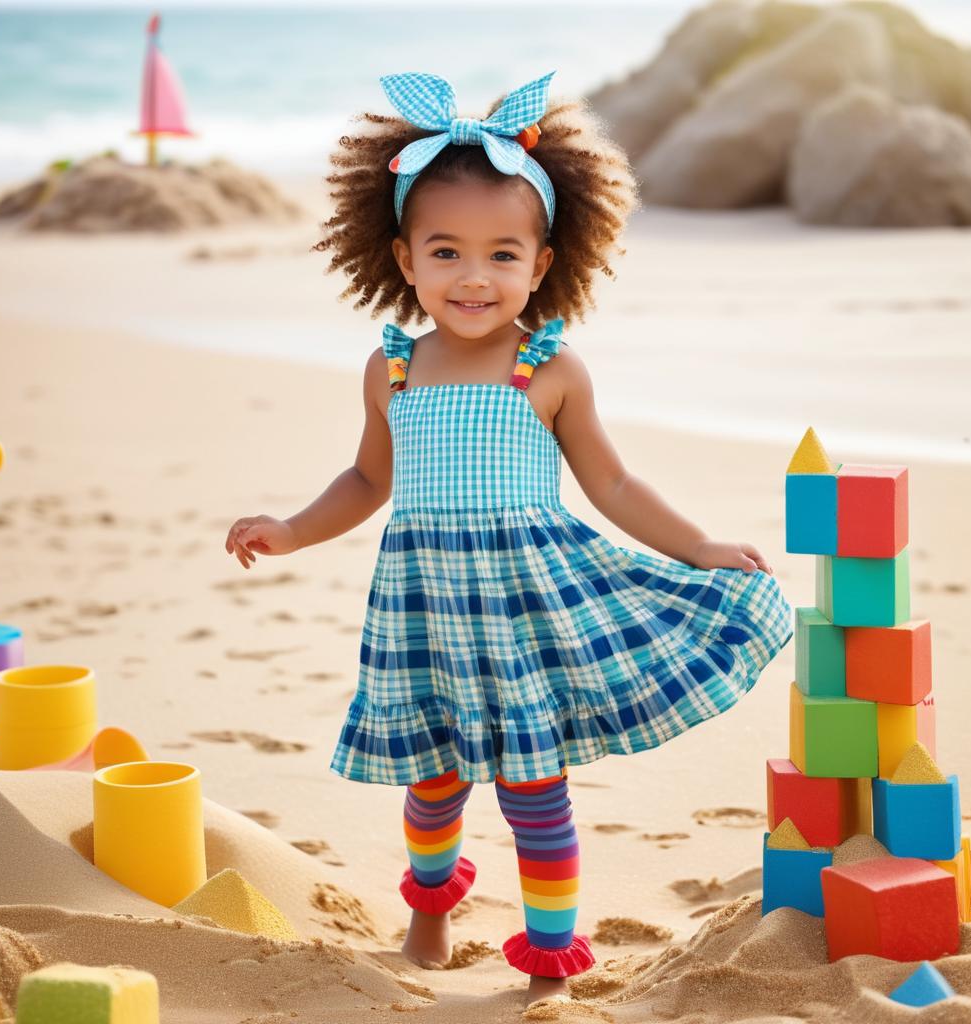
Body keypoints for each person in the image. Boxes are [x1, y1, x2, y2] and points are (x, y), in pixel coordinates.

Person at [225, 70, 794, 1008]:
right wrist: (291, 528)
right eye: (446, 252)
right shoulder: (393, 367)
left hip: (531, 608)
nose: (474, 277)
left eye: (501, 254)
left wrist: (701, 549)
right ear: (404, 259)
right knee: (435, 781)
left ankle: (548, 952)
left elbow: (610, 481)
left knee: (536, 791)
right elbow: (369, 480)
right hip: (426, 611)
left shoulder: (549, 366)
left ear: (541, 264)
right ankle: (433, 903)